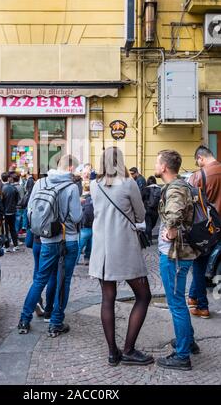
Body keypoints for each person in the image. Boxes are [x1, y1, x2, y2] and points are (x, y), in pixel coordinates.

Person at [89, 147, 154, 367]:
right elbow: (141, 214)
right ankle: (128, 349)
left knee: (107, 298)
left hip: (101, 250)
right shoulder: (128, 183)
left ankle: (112, 353)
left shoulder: (93, 185)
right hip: (124, 247)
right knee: (143, 296)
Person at [18, 154, 82, 337]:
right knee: (64, 280)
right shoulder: (71, 187)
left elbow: (30, 209)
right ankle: (55, 322)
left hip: (46, 239)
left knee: (40, 279)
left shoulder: (40, 183)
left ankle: (24, 319)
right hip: (67, 239)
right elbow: (77, 217)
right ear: (70, 168)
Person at [155, 149, 200, 371]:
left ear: (164, 167)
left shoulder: (175, 188)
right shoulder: (183, 185)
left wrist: (171, 229)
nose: (156, 165)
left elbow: (174, 212)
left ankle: (182, 356)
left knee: (176, 304)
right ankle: (188, 341)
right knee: (178, 301)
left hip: (174, 254)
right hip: (182, 253)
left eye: (157, 162)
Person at [188, 145, 221, 319]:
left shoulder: (198, 176)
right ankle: (193, 297)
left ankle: (202, 306)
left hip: (207, 228)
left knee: (199, 266)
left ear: (201, 158)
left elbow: (190, 205)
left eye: (198, 162)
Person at [1, 172, 20, 252]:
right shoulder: (13, 188)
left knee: (5, 230)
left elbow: (0, 201)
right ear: (8, 178)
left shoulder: (1, 188)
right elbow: (17, 200)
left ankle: (7, 247)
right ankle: (15, 245)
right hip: (12, 211)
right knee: (12, 229)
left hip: (4, 212)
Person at [77, 181, 94, 265]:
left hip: (85, 226)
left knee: (80, 245)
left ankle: (75, 261)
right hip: (92, 226)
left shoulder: (83, 199)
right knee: (89, 245)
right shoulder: (93, 199)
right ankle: (87, 259)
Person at [141, 176, 161, 244]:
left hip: (147, 209)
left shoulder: (145, 189)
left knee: (148, 224)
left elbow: (141, 199)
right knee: (152, 224)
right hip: (155, 210)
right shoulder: (159, 189)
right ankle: (148, 237)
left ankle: (149, 239)